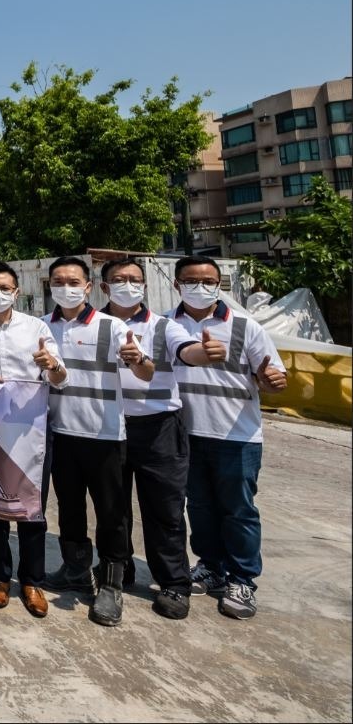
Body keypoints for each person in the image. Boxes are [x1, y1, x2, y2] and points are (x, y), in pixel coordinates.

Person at [100, 257, 229, 621]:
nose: (128, 285)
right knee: (113, 508)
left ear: (144, 286)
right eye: (119, 279)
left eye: (134, 279)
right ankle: (117, 569)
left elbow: (187, 350)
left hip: (158, 429)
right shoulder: (95, 324)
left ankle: (174, 583)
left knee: (165, 509)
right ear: (105, 287)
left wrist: (204, 353)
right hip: (108, 426)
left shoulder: (163, 326)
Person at [166, 256, 286, 621]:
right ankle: (211, 566)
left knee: (238, 510)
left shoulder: (246, 326)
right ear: (177, 284)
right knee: (199, 506)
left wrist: (272, 381)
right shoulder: (166, 324)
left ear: (219, 285)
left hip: (237, 435)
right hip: (186, 433)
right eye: (192, 280)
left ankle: (242, 579)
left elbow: (273, 377)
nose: (200, 287)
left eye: (208, 281)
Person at [41, 256, 154, 627]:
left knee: (111, 513)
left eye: (74, 282)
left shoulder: (112, 326)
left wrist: (138, 359)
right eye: (59, 282)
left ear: (88, 287)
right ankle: (75, 569)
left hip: (104, 435)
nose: (66, 288)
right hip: (61, 433)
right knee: (69, 507)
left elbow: (145, 371)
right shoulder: (42, 326)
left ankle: (111, 583)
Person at [0, 260, 66, 619]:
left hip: (30, 429)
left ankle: (32, 580)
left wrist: (51, 365)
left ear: (16, 292)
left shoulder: (36, 328)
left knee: (31, 508)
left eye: (5, 288)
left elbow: (59, 378)